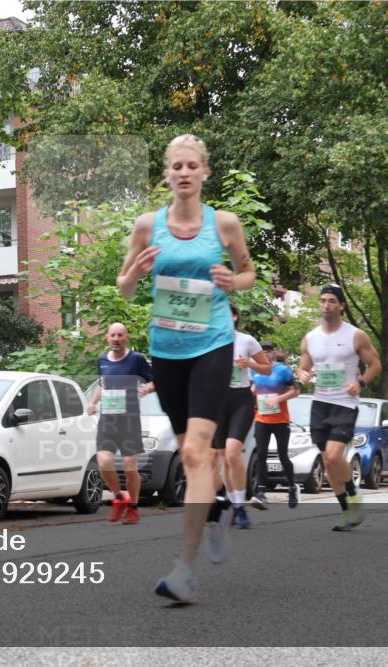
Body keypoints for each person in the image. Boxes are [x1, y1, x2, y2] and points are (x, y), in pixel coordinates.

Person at [117, 134, 256, 602]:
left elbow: (248, 273)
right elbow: (124, 288)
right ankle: (214, 509)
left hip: (212, 345)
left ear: (204, 173)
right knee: (188, 448)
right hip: (167, 350)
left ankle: (185, 569)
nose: (183, 172)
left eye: (191, 165)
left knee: (197, 453)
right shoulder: (146, 226)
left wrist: (233, 280)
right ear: (166, 173)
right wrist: (135, 273)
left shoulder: (226, 224)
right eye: (175, 165)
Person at [297, 285, 381, 532]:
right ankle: (346, 511)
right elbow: (303, 368)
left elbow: (375, 364)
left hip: (344, 403)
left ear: (342, 305)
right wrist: (301, 374)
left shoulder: (356, 335)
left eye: (332, 301)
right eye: (322, 301)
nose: (326, 305)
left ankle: (354, 496)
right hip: (320, 403)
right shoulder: (310, 338)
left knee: (334, 456)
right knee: (327, 460)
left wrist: (360, 381)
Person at [208, 304, 270, 533]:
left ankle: (241, 507)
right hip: (217, 400)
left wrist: (250, 364)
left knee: (233, 453)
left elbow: (267, 369)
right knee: (223, 458)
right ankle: (236, 505)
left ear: (234, 316)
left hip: (241, 399)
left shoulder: (247, 341)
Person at [86, 322, 154, 525]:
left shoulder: (136, 360)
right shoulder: (102, 360)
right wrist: (92, 402)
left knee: (129, 467)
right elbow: (102, 384)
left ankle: (133, 508)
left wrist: (146, 389)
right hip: (107, 420)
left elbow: (155, 380)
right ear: (107, 337)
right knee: (104, 463)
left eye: (120, 335)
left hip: (129, 420)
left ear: (126, 338)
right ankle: (118, 497)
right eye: (112, 335)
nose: (116, 339)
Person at [251, 343, 301, 508]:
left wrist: (278, 399)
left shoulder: (283, 370)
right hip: (261, 419)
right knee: (261, 455)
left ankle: (292, 488)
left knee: (282, 455)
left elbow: (295, 391)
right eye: (262, 352)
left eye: (267, 352)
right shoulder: (255, 370)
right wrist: (253, 392)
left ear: (273, 354)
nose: (265, 355)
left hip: (280, 420)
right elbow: (253, 387)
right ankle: (261, 492)